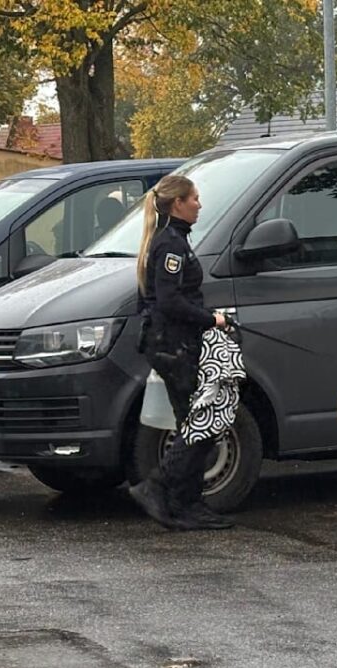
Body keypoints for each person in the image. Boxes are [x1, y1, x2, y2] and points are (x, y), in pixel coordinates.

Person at [128, 175, 232, 531]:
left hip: (175, 342)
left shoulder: (172, 239)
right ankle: (158, 488)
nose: (199, 205)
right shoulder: (171, 244)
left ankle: (185, 504)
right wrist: (212, 319)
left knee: (195, 423)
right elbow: (170, 301)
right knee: (199, 424)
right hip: (174, 345)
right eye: (195, 198)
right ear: (178, 204)